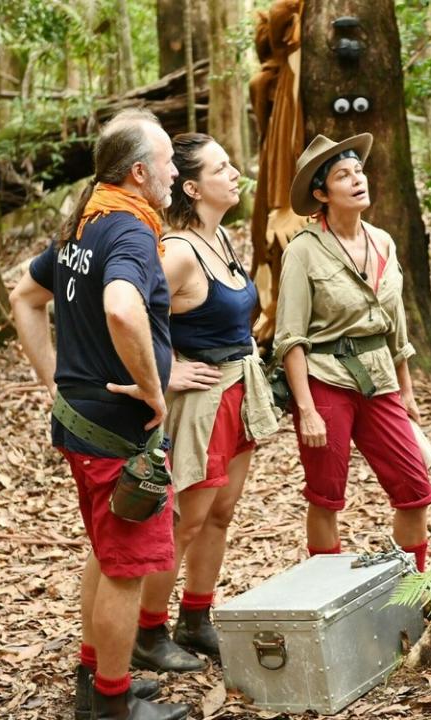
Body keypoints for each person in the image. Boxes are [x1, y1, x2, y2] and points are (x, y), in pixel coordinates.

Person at [9, 109, 189, 720]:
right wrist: (154, 388)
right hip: (116, 430)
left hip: (79, 420)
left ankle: (97, 680)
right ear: (139, 172)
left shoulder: (82, 223)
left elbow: (24, 296)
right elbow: (120, 306)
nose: (174, 170)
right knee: (125, 569)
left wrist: (53, 380)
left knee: (105, 554)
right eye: (167, 161)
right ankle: (112, 706)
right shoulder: (130, 232)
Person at [132, 133, 279, 673]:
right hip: (200, 402)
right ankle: (147, 632)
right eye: (222, 167)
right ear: (192, 187)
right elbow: (122, 314)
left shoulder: (222, 240)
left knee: (219, 514)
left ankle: (196, 619)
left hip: (238, 393)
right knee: (184, 522)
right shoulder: (177, 252)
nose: (235, 172)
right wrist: (165, 370)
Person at [273, 132, 431, 571]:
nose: (356, 180)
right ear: (322, 194)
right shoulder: (303, 251)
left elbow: (396, 325)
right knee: (326, 497)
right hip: (326, 379)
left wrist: (407, 392)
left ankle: (410, 592)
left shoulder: (383, 241)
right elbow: (290, 337)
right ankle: (328, 593)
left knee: (414, 490)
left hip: (380, 377)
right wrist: (306, 409)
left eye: (358, 171)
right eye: (343, 175)